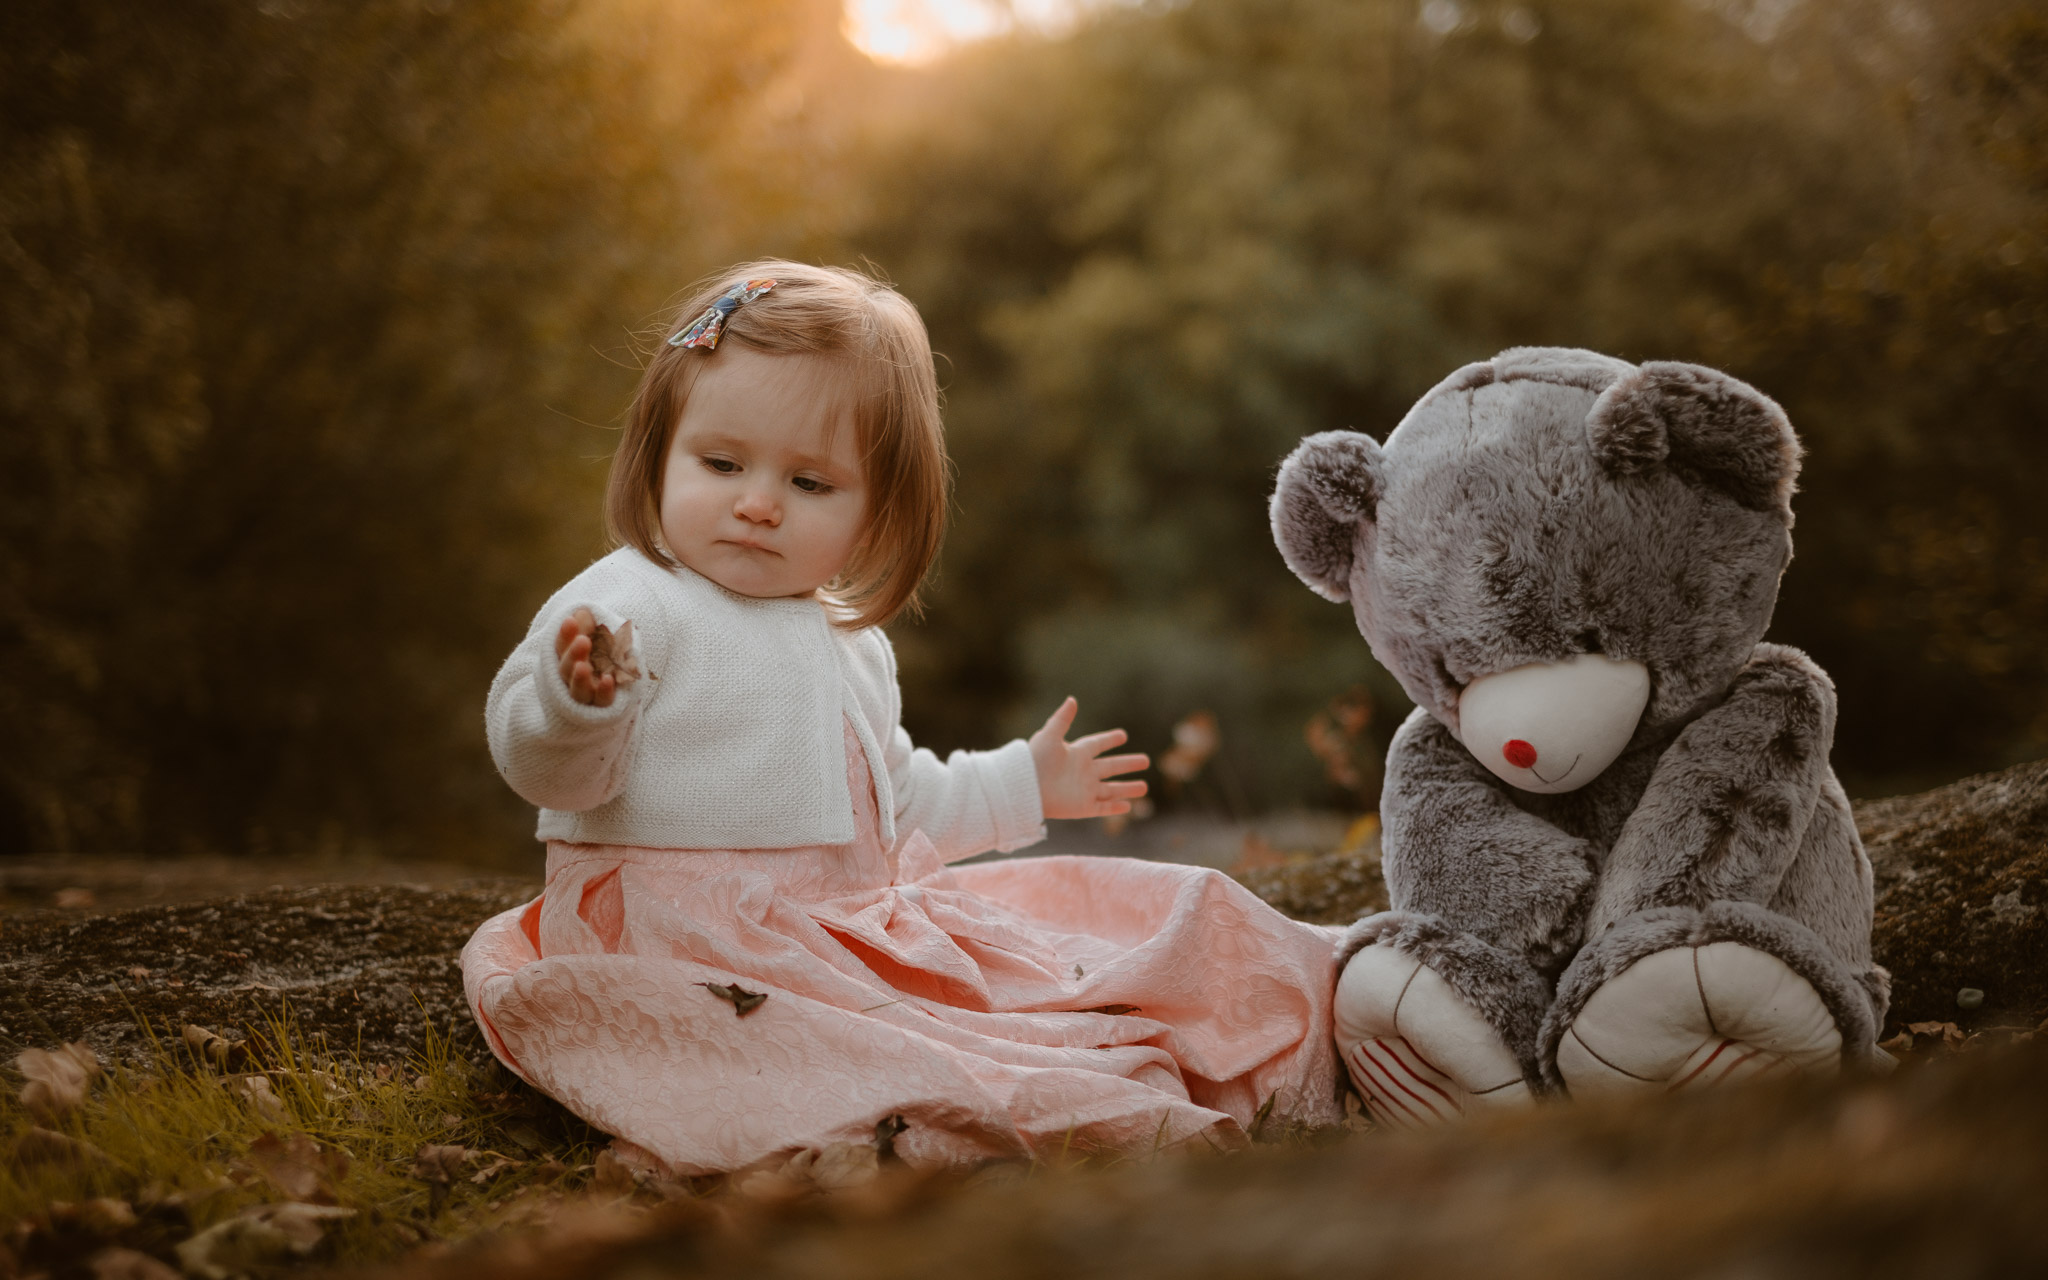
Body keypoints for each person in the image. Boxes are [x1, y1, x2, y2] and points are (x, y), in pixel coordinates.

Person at [461, 261, 1343, 1173]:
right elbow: (548, 771)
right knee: (878, 1063)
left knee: (1104, 956)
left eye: (810, 484)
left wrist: (1017, 783)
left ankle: (1333, 1020)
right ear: (660, 453)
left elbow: (891, 807)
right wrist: (577, 707)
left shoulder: (849, 644)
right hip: (686, 941)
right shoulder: (634, 602)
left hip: (840, 928)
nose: (757, 503)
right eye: (721, 463)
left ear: (877, 512)